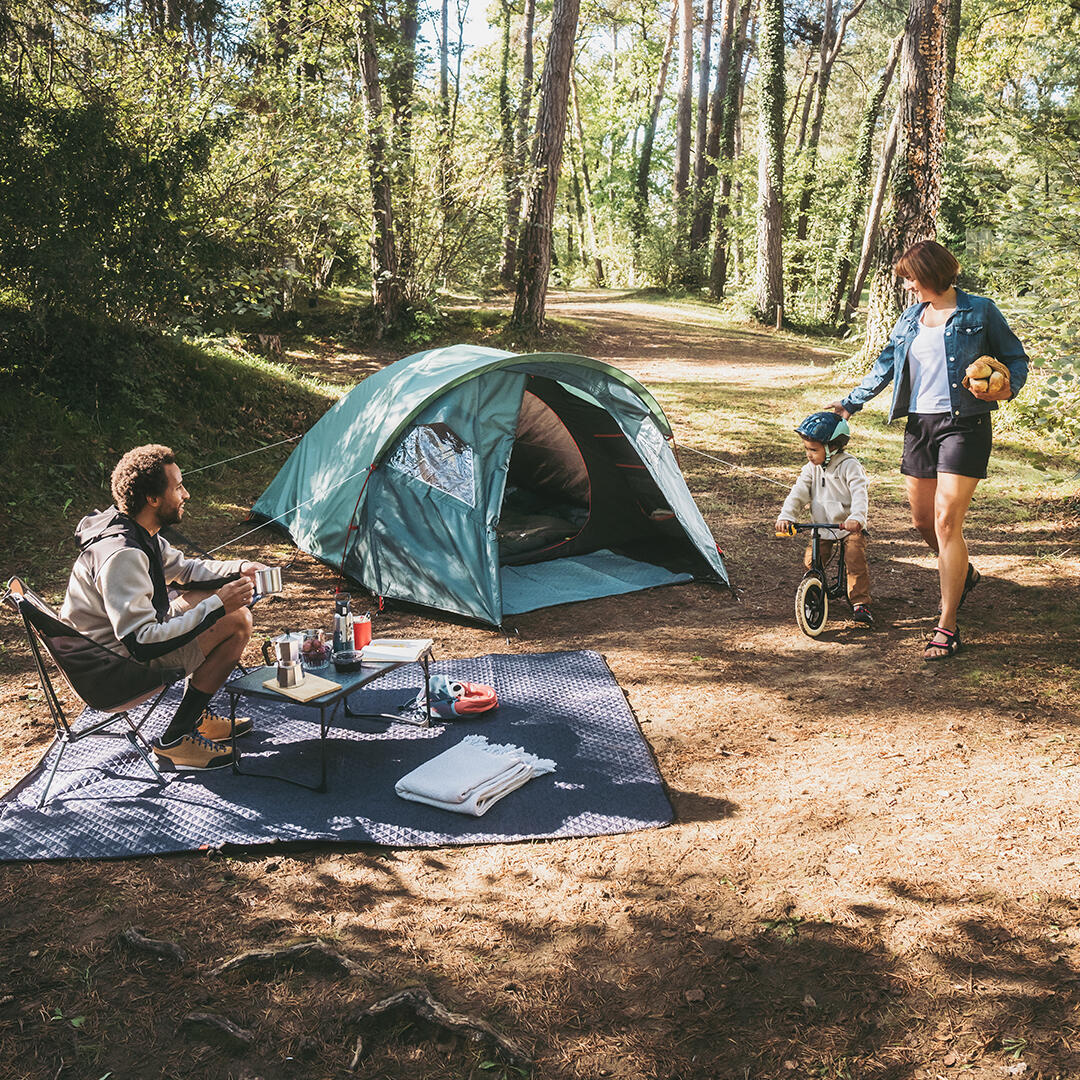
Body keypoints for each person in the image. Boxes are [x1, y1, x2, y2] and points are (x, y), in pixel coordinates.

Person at [830, 240, 1028, 660]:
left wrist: (1008, 388)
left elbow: (1016, 358)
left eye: (912, 279)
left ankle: (947, 624)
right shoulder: (911, 317)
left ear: (933, 275)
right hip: (920, 425)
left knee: (945, 521)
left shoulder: (980, 311)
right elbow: (886, 364)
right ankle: (962, 573)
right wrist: (851, 401)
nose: (908, 286)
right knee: (922, 522)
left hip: (966, 425)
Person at [61, 445, 271, 769]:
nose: (185, 494)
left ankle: (197, 719)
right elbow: (142, 643)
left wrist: (240, 568)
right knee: (237, 619)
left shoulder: (135, 529)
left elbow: (184, 571)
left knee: (222, 604)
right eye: (178, 487)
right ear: (153, 499)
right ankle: (176, 737)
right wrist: (218, 605)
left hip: (120, 648)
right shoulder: (123, 554)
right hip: (116, 670)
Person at [776, 412, 872, 625]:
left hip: (849, 527)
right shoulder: (811, 469)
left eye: (813, 450)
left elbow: (859, 492)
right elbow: (798, 492)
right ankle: (815, 590)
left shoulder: (850, 465)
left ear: (832, 447)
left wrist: (856, 518)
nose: (809, 455)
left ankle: (860, 602)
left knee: (854, 557)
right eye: (806, 449)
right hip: (823, 527)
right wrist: (787, 516)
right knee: (812, 562)